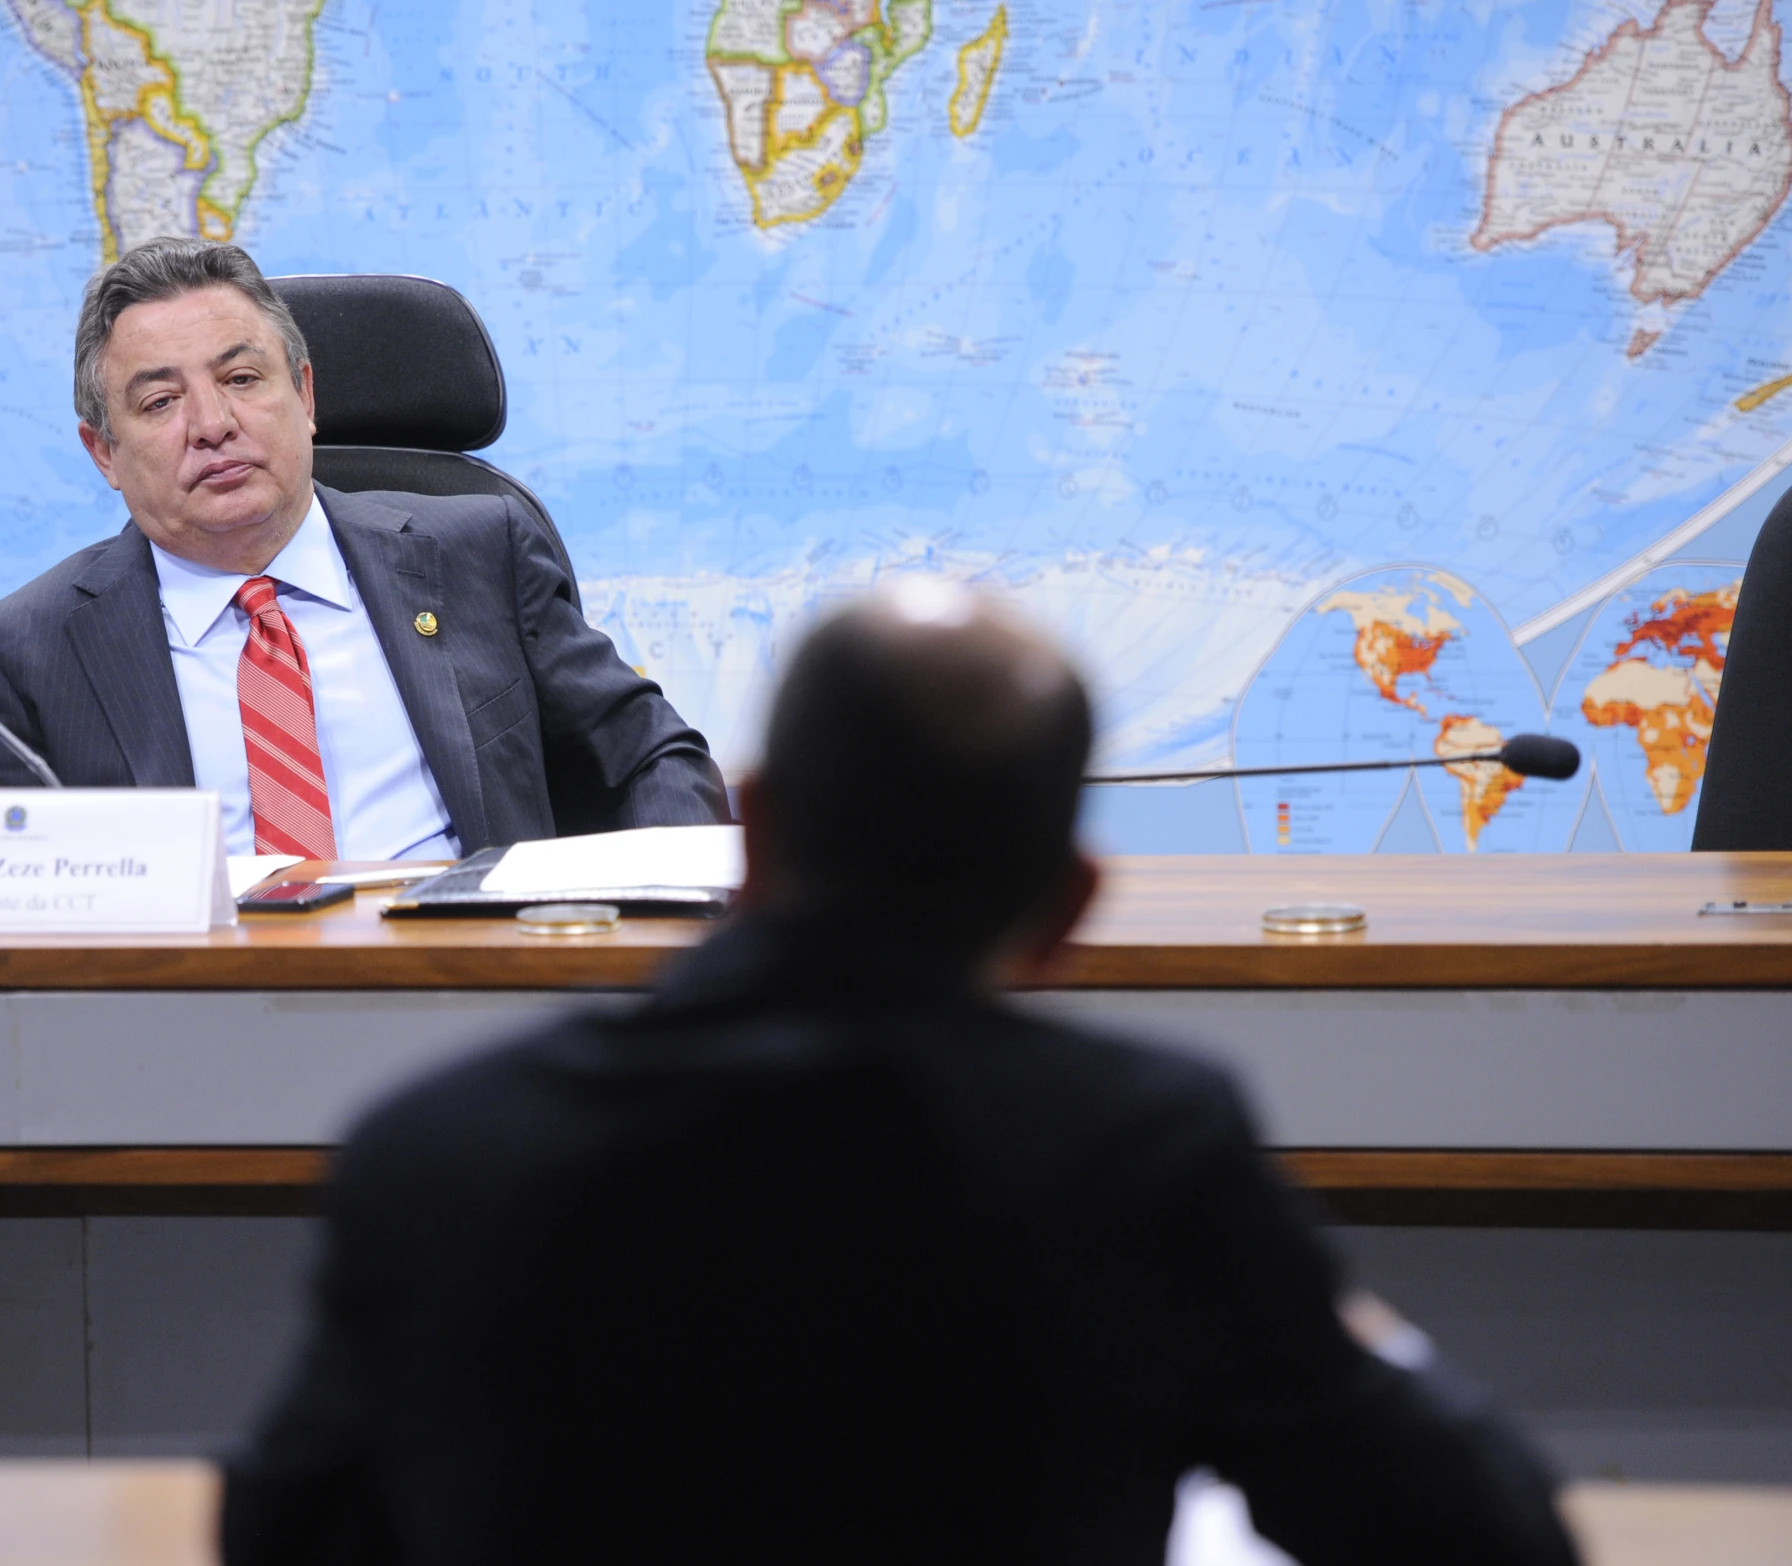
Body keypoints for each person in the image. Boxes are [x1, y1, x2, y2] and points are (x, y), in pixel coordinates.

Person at [223, 581, 1579, 1566]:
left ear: (747, 831)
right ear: (1066, 905)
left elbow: (283, 1530)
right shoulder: (1144, 1150)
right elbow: (1483, 1535)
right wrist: (1334, 1317)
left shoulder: (438, 1145)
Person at [0, 240, 725, 859]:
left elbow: (653, 759)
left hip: (469, 990)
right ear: (104, 454)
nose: (213, 422)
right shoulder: (29, 652)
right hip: (194, 1023)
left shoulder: (480, 552)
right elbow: (15, 904)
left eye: (242, 377)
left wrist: (653, 935)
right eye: (160, 402)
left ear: (306, 396)